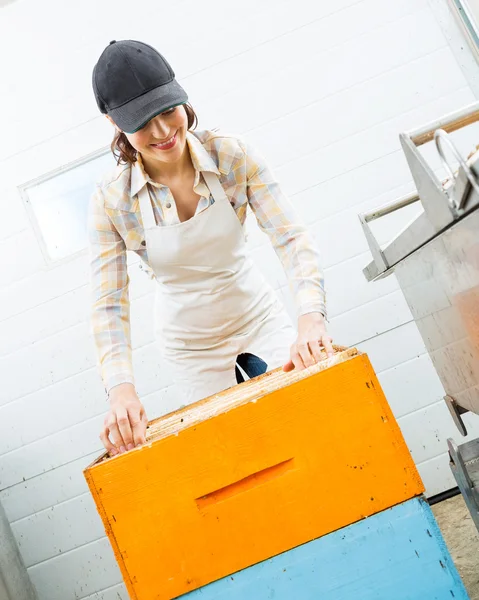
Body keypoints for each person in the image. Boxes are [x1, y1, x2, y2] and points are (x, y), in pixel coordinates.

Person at [89, 40, 333, 456]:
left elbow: (291, 237)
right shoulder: (112, 201)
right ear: (115, 123)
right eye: (144, 122)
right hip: (189, 345)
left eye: (168, 110)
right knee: (238, 453)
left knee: (310, 424)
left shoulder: (232, 154)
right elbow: (109, 303)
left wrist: (311, 320)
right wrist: (121, 391)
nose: (164, 131)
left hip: (257, 314)